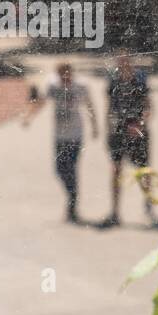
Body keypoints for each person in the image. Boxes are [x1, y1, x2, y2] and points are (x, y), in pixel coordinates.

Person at [24, 62, 97, 223]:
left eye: (67, 74)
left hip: (76, 135)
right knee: (59, 169)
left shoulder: (81, 86)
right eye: (61, 75)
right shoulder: (53, 86)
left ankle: (72, 206)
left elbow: (89, 105)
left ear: (71, 73)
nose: (65, 78)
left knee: (71, 169)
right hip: (59, 136)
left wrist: (95, 126)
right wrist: (28, 117)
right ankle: (72, 196)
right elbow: (41, 101)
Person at [103, 52, 158, 229]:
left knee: (144, 171)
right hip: (118, 131)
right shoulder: (113, 82)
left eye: (125, 62)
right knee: (116, 170)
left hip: (138, 131)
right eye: (120, 62)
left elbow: (149, 107)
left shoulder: (140, 80)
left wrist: (140, 124)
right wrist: (107, 130)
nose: (123, 65)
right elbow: (109, 108)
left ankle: (148, 207)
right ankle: (115, 211)